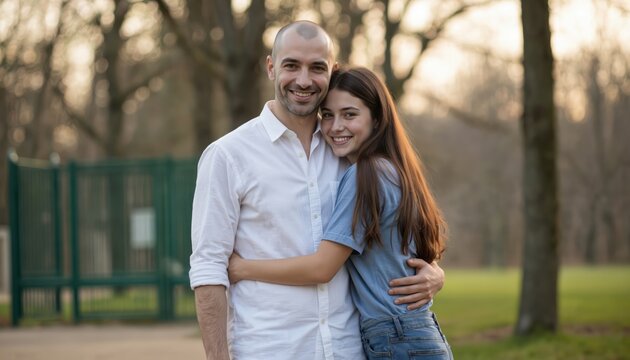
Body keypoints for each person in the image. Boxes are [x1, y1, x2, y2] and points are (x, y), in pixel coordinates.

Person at [190, 20, 445, 360]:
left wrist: (435, 273)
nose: (304, 80)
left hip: (350, 349)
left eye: (317, 68)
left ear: (331, 71)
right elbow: (208, 267)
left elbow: (400, 235)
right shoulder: (228, 156)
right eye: (291, 65)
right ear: (271, 67)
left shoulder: (349, 153)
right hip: (270, 349)